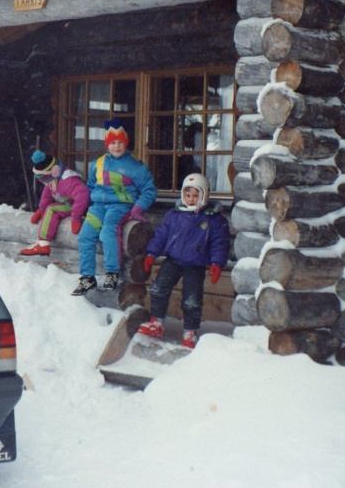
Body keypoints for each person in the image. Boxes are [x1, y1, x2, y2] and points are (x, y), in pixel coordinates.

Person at [138, 173, 230, 349]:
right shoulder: (174, 214)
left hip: (195, 265)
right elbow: (161, 235)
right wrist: (151, 253)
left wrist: (217, 263)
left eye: (196, 195)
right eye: (188, 195)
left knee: (191, 300)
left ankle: (190, 331)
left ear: (204, 196)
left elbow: (220, 243)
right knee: (158, 289)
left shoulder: (214, 219)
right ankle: (156, 322)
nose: (191, 199)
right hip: (172, 260)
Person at [72, 119, 156, 296]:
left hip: (119, 207)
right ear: (107, 144)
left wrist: (138, 208)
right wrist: (80, 207)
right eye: (113, 143)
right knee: (86, 236)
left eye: (120, 142)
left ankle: (112, 273)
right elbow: (90, 186)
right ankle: (87, 277)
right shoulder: (98, 164)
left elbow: (149, 190)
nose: (117, 146)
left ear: (125, 143)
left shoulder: (135, 167)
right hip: (97, 207)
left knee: (107, 232)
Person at [20, 150, 89, 256]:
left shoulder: (68, 180)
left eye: (44, 178)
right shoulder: (53, 181)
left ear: (52, 171)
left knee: (52, 209)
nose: (44, 182)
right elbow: (46, 196)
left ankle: (43, 244)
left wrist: (76, 217)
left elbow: (83, 196)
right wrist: (41, 210)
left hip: (82, 208)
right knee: (49, 207)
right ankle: (41, 244)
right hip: (69, 205)